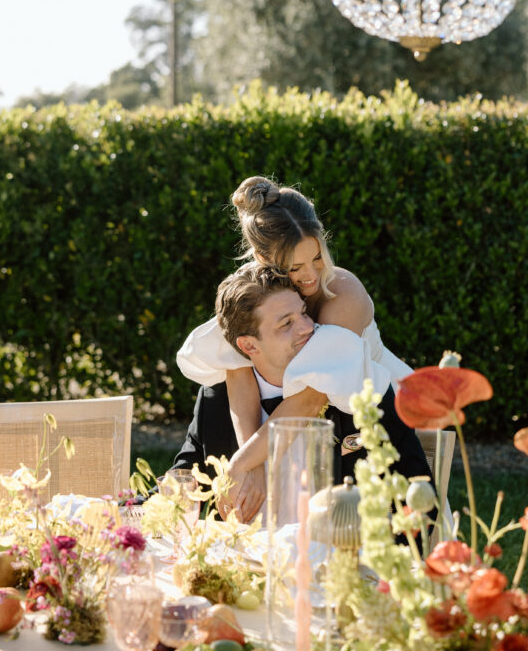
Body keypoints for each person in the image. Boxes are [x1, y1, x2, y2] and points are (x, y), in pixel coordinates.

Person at [176, 175, 410, 518]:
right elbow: (239, 370)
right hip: (296, 421)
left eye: (317, 257)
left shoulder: (343, 295)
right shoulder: (258, 290)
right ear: (262, 257)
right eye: (295, 267)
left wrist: (243, 463)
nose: (311, 275)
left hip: (379, 408)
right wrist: (254, 463)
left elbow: (313, 396)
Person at [173, 262, 431, 520]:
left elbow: (420, 502)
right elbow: (178, 484)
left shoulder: (360, 385)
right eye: (286, 323)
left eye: (304, 313)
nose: (307, 327)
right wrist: (153, 506)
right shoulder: (216, 399)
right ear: (249, 346)